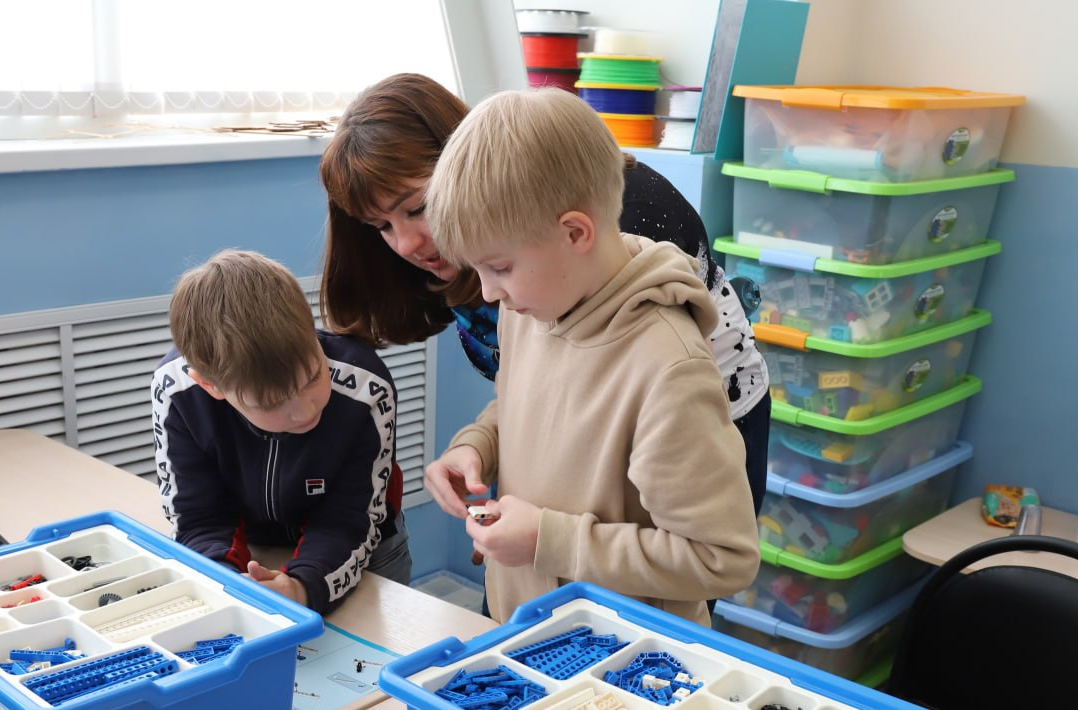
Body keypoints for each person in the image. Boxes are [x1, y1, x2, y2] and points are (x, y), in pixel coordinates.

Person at [319, 73, 770, 515]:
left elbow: (697, 550)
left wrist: (542, 533)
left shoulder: (604, 243)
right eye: (381, 226)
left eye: (416, 208)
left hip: (693, 436)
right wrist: (486, 451)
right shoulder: (484, 253)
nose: (404, 246)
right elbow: (536, 388)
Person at [421, 87, 760, 626]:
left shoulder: (667, 370)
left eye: (500, 268)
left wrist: (548, 540)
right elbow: (522, 404)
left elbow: (721, 558)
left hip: (624, 666)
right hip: (527, 629)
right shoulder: (531, 308)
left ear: (575, 232)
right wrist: (478, 446)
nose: (486, 293)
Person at [151, 249, 411, 614]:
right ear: (212, 386)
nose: (307, 409)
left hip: (360, 556)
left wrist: (303, 589)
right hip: (253, 554)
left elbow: (347, 522)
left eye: (313, 377)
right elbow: (200, 518)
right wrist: (224, 582)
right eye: (272, 403)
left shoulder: (364, 387)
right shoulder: (178, 393)